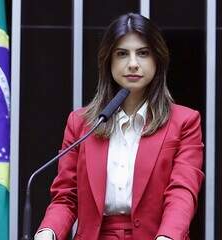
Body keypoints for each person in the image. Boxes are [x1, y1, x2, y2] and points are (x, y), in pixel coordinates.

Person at [34, 13, 204, 240]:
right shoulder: (81, 123)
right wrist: (48, 232)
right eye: (122, 54)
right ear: (108, 61)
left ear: (157, 59)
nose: (133, 64)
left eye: (143, 53)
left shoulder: (185, 121)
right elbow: (66, 196)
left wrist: (168, 236)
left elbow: (182, 192)